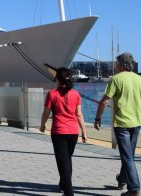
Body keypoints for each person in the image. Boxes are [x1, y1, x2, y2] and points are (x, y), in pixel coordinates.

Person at [94, 52, 141, 196]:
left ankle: (134, 189)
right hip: (137, 122)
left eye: (116, 63)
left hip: (122, 123)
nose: (115, 65)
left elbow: (105, 101)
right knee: (129, 155)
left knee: (127, 156)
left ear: (120, 64)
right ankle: (122, 179)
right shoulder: (139, 79)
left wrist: (97, 118)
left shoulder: (116, 79)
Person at [40, 67, 87, 196]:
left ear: (57, 79)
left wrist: (42, 125)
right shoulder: (76, 94)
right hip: (73, 132)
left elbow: (45, 113)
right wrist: (84, 132)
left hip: (59, 132)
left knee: (63, 162)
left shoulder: (52, 94)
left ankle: (69, 192)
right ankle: (63, 184)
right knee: (67, 159)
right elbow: (79, 115)